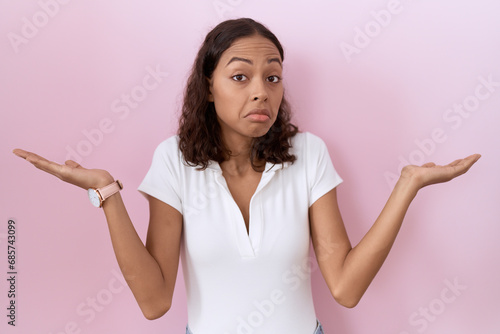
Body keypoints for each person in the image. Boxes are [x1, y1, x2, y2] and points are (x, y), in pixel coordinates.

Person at [13, 18, 480, 334]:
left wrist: (408, 186)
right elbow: (155, 302)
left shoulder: (307, 154)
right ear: (209, 88)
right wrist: (106, 193)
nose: (261, 92)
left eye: (272, 77)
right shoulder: (173, 161)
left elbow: (346, 288)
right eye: (241, 77)